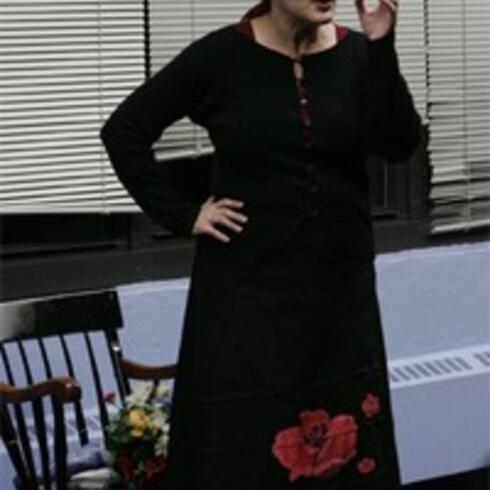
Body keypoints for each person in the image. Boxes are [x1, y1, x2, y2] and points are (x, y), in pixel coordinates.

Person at [100, 0, 422, 488]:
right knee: (241, 452)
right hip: (246, 303)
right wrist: (184, 214)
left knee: (346, 456)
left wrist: (382, 44)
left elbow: (398, 144)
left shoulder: (357, 54)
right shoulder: (221, 56)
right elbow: (124, 131)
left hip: (339, 301)